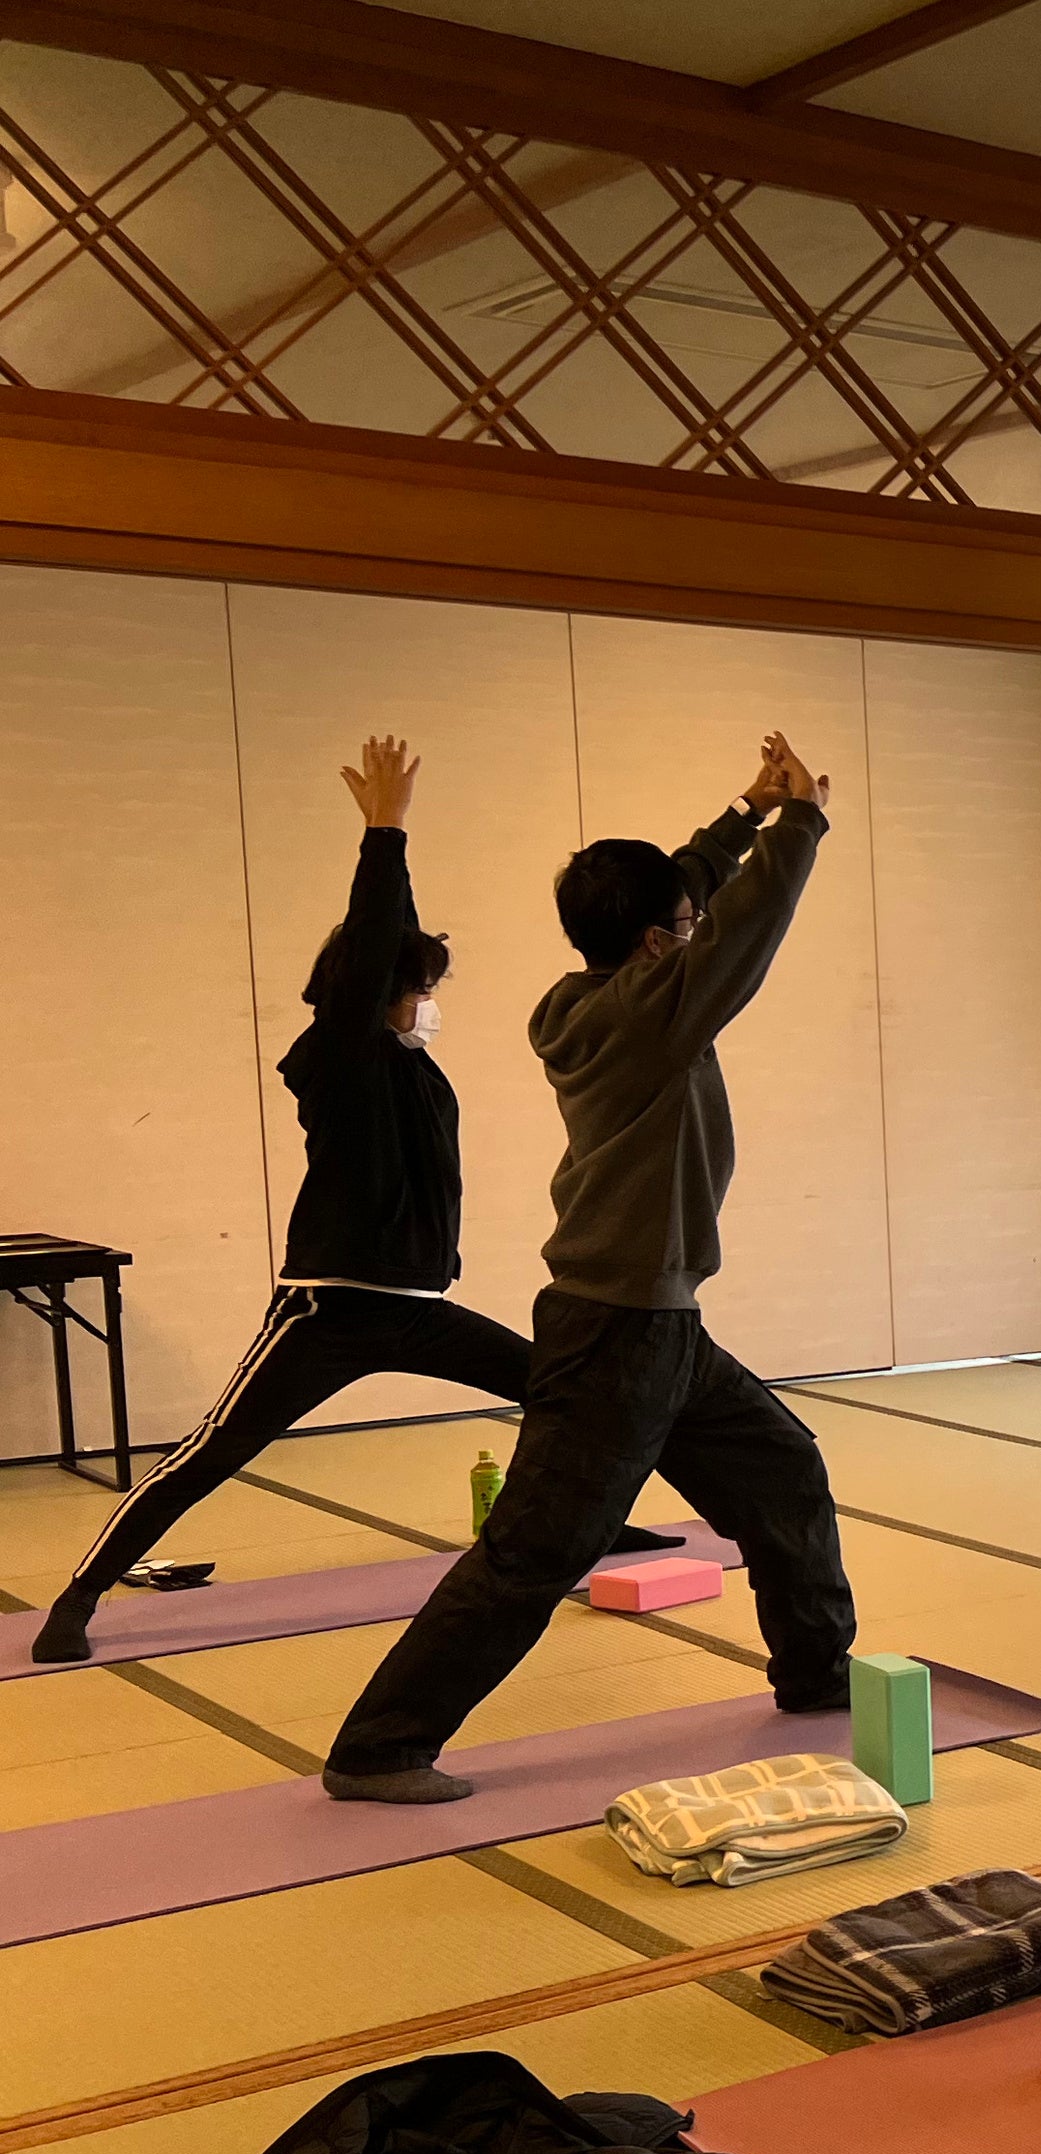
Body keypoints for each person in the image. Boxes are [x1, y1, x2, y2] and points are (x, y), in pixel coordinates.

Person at [27, 738, 658, 1662]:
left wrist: (403, 871)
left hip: (419, 1310)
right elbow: (371, 951)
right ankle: (78, 1594)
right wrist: (383, 834)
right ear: (378, 996)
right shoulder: (342, 1057)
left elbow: (393, 941)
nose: (430, 1002)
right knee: (212, 1450)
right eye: (419, 989)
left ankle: (584, 1521)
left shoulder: (409, 1065)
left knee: (563, 1392)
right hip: (327, 1312)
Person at [316, 736, 858, 1803]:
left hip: (663, 1327)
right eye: (682, 928)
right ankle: (378, 1746)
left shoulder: (594, 996)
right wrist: (800, 824)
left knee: (783, 1472)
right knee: (536, 1549)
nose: (695, 930)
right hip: (616, 1333)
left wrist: (744, 812)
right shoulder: (654, 1013)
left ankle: (817, 1676)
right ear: (658, 946)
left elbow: (685, 898)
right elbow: (744, 930)